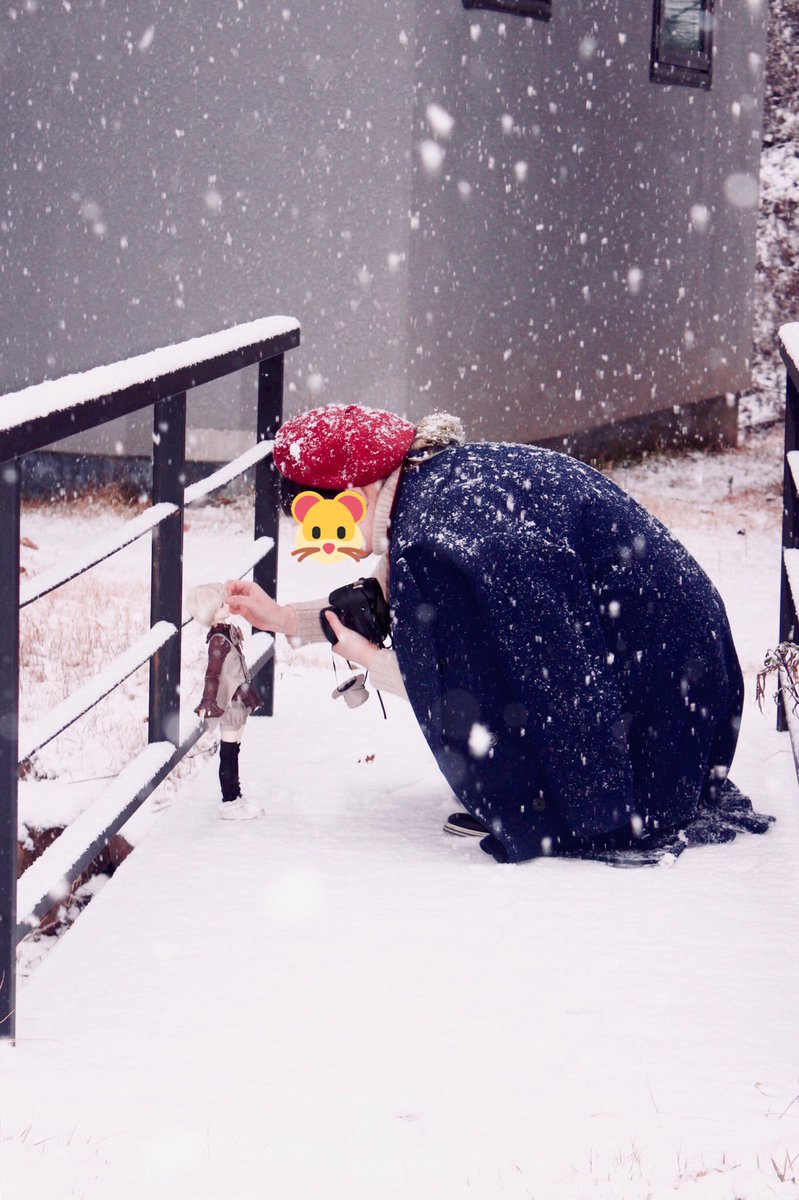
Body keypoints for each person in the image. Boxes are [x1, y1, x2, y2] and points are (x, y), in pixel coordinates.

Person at [226, 404, 773, 863]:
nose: (313, 534)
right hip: (688, 682)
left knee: (528, 770)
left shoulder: (430, 540)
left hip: (653, 710)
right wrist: (285, 620)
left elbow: (464, 689)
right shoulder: (438, 482)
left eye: (311, 513)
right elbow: (395, 601)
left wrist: (368, 658)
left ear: (354, 490)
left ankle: (590, 805)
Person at [187, 583, 264, 820]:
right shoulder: (218, 641)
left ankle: (236, 796)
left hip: (239, 697)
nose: (226, 605)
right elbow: (212, 674)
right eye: (221, 604)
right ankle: (229, 802)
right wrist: (207, 702)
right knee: (229, 751)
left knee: (234, 748)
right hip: (230, 701)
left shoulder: (226, 632)